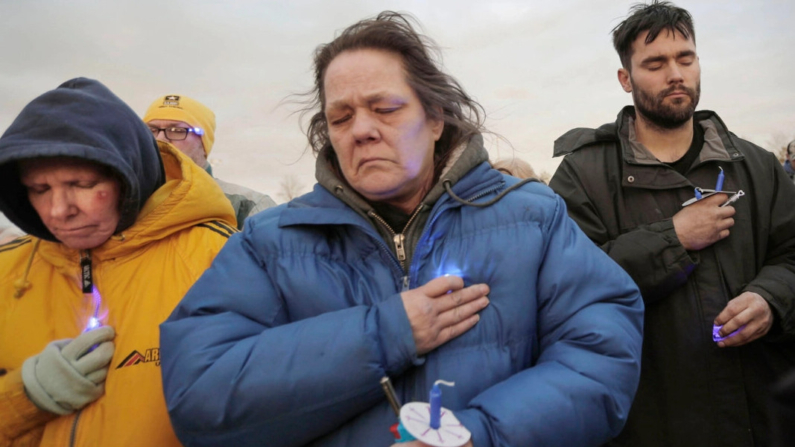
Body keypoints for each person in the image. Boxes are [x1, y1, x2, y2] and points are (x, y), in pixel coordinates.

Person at [160, 12, 644, 447]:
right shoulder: (269, 243)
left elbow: (600, 360)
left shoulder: (534, 217)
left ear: (434, 118)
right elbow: (200, 397)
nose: (361, 130)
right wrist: (385, 334)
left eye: (384, 108)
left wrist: (478, 436)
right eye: (340, 116)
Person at [549, 2, 795, 446]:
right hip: (649, 421)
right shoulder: (581, 175)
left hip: (760, 416)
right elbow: (568, 287)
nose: (675, 74)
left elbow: (792, 254)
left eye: (685, 58)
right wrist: (673, 238)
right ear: (626, 79)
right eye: (655, 63)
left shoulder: (757, 165)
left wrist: (770, 298)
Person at [0, 78, 237, 446]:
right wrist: (22, 397)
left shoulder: (219, 258)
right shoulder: (7, 270)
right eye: (40, 189)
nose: (59, 210)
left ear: (130, 173)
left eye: (81, 183)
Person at [143, 94, 275, 229]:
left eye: (177, 130)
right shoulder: (126, 199)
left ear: (204, 145)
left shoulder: (248, 206)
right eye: (150, 130)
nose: (160, 139)